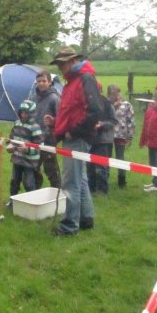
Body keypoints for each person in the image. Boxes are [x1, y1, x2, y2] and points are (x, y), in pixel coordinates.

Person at [48, 47, 102, 236]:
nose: (61, 67)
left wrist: (73, 131)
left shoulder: (85, 79)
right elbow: (72, 111)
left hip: (78, 138)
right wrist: (58, 126)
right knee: (82, 180)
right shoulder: (72, 81)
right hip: (72, 136)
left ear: (73, 61)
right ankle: (86, 219)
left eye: (63, 63)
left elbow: (95, 110)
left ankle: (69, 226)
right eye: (59, 64)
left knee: (71, 183)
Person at [6, 100, 43, 203]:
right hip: (17, 159)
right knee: (14, 180)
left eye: (26, 113)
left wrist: (28, 150)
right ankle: (13, 200)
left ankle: (31, 202)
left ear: (32, 113)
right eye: (22, 112)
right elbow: (11, 138)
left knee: (28, 182)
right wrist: (10, 145)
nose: (23, 115)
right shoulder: (16, 124)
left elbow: (40, 146)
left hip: (29, 161)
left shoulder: (35, 127)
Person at [87, 87, 118, 195]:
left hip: (104, 140)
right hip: (90, 139)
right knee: (89, 166)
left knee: (101, 167)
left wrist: (102, 124)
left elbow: (114, 121)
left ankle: (102, 190)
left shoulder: (107, 104)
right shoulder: (87, 103)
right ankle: (91, 188)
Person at [33, 70, 61, 189]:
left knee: (51, 169)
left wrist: (53, 132)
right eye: (39, 81)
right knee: (34, 167)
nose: (41, 83)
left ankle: (57, 192)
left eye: (44, 81)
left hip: (49, 138)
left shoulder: (54, 98)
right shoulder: (34, 97)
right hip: (35, 138)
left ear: (50, 82)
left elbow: (60, 118)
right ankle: (36, 191)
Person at [139, 89, 157, 192]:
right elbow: (146, 126)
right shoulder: (150, 111)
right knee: (153, 163)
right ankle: (155, 181)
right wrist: (143, 140)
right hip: (152, 143)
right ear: (154, 100)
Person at [108, 84, 135, 188]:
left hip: (121, 135)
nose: (117, 96)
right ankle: (105, 178)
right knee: (107, 157)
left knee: (120, 157)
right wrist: (114, 105)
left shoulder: (126, 105)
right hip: (109, 135)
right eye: (113, 95)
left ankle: (122, 180)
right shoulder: (107, 104)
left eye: (118, 93)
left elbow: (131, 120)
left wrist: (130, 136)